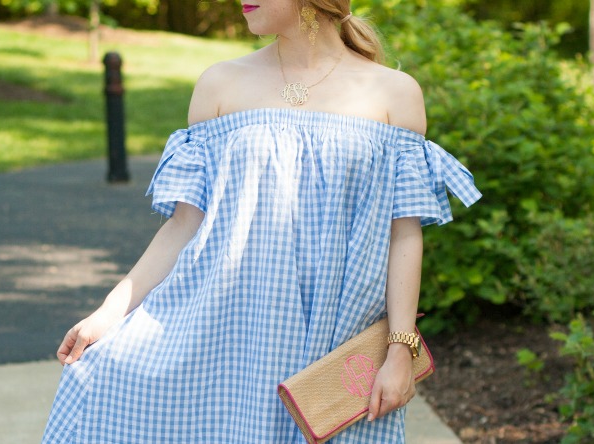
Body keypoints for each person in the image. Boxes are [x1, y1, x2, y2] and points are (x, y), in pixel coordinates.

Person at [42, 1, 481, 442]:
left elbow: (402, 235)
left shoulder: (394, 93)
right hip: (226, 333)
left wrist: (400, 349)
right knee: (98, 386)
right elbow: (183, 225)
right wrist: (108, 313)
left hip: (334, 335)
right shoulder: (220, 83)